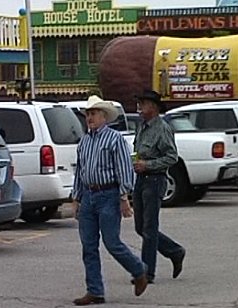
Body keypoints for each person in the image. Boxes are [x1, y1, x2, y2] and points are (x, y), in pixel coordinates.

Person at [71, 95, 148, 306]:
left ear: (104, 116)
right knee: (88, 246)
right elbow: (80, 171)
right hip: (88, 195)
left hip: (108, 195)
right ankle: (95, 291)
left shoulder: (115, 139)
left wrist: (124, 197)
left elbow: (124, 169)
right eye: (88, 114)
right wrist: (76, 198)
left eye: (94, 113)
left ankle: (139, 270)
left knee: (112, 242)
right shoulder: (85, 141)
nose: (90, 118)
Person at [132, 89, 186, 284]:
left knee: (149, 227)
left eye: (143, 103)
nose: (139, 106)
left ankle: (147, 272)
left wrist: (149, 165)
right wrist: (137, 163)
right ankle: (175, 251)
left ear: (153, 107)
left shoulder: (162, 128)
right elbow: (137, 149)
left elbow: (172, 156)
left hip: (155, 180)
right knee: (140, 227)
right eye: (139, 102)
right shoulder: (142, 127)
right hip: (141, 179)